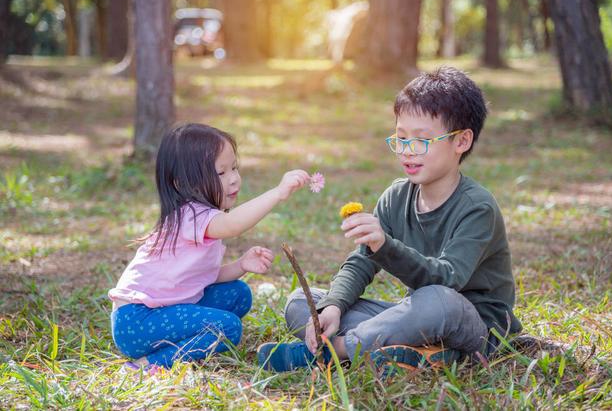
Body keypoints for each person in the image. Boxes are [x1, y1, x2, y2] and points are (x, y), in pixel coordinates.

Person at [258, 67, 522, 373]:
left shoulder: (477, 207)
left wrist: (386, 245)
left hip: (475, 327)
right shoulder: (397, 196)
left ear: (461, 141)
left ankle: (337, 351)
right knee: (302, 304)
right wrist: (333, 305)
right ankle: (417, 353)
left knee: (438, 300)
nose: (408, 151)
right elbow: (361, 262)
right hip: (419, 317)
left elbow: (447, 280)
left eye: (422, 140)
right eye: (400, 138)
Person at [109, 123, 311, 372]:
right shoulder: (190, 215)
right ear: (185, 183)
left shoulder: (203, 216)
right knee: (228, 328)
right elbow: (233, 224)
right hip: (137, 321)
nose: (234, 178)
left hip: (162, 310)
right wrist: (278, 193)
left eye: (234, 168)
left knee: (238, 294)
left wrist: (240, 266)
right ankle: (148, 364)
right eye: (221, 173)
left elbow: (199, 278)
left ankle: (180, 341)